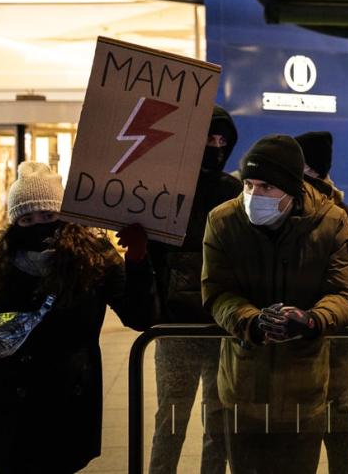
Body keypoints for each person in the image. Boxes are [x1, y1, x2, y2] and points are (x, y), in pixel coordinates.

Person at [0, 162, 155, 473]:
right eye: (27, 218)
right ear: (15, 221)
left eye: (48, 215)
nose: (39, 225)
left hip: (65, 396)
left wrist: (138, 263)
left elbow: (139, 316)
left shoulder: (95, 257)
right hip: (2, 395)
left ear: (66, 215)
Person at [201, 134, 348, 474]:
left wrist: (313, 320)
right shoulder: (223, 221)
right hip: (243, 385)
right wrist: (252, 322)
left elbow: (345, 293)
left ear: (293, 189)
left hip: (304, 389)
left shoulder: (332, 222)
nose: (254, 196)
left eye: (267, 188)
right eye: (249, 185)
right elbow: (216, 291)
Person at [142, 106, 242, 474]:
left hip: (220, 327)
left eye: (223, 140)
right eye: (209, 138)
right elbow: (152, 257)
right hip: (176, 329)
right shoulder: (167, 190)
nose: (216, 146)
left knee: (218, 423)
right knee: (170, 419)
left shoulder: (233, 191)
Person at [296, 130, 348, 474]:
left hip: (334, 345)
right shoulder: (294, 214)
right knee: (326, 428)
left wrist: (322, 300)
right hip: (317, 344)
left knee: (335, 425)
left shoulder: (344, 218)